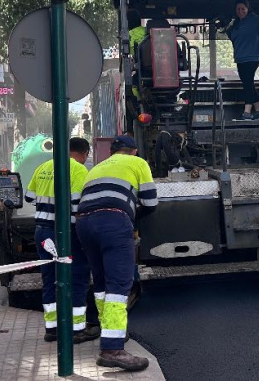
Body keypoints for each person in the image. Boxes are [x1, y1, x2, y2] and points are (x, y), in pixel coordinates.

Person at [76, 135, 157, 371]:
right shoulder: (138, 163)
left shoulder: (97, 167)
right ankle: (112, 349)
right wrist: (129, 217)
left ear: (113, 152)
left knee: (101, 282)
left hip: (84, 223)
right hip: (112, 221)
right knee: (119, 284)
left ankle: (109, 332)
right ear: (133, 152)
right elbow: (151, 202)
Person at [25, 137, 99, 344]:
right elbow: (77, 205)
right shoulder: (79, 170)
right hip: (67, 234)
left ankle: (52, 329)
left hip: (42, 232)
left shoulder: (43, 167)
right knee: (78, 277)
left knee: (50, 279)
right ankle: (77, 330)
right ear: (84, 153)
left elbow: (29, 197)